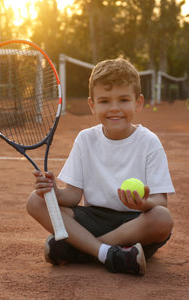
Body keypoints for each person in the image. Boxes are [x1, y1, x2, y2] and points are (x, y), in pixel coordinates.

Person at [26, 58, 174, 275]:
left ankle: (82, 249)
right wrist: (55, 191)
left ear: (138, 103)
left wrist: (143, 204)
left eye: (123, 99)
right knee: (35, 201)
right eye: (105, 101)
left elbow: (161, 201)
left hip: (134, 225)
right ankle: (111, 255)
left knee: (162, 218)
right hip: (93, 218)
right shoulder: (85, 139)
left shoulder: (149, 142)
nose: (115, 109)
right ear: (92, 105)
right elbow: (73, 196)